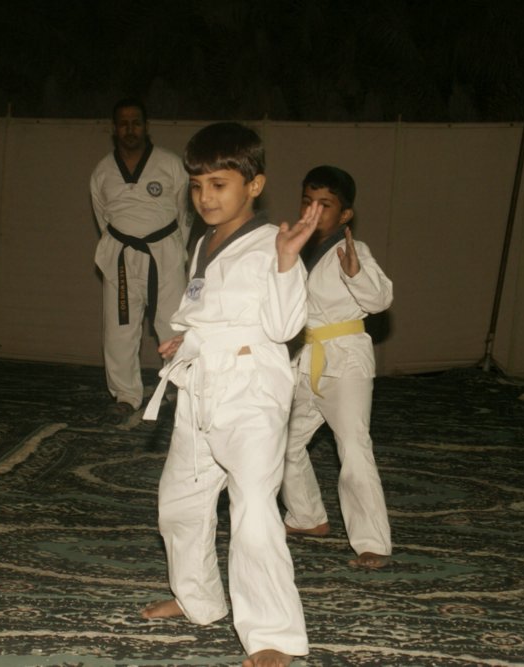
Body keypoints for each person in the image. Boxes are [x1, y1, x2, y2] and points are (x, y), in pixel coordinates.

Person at [141, 123, 320, 667]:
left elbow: (284, 326)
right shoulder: (204, 241)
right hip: (201, 386)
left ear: (254, 185)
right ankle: (197, 598)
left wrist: (287, 262)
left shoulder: (274, 244)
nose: (205, 198)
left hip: (252, 393)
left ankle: (273, 636)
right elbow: (208, 309)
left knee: (254, 512)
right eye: (197, 186)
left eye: (219, 185)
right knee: (180, 503)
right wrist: (186, 338)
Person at [280, 166, 394, 569]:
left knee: (354, 447)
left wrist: (356, 274)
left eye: (325, 204)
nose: (314, 210)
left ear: (345, 214)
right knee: (283, 442)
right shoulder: (292, 248)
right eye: (307, 201)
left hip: (344, 363)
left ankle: (372, 542)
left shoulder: (354, 249)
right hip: (303, 359)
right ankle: (307, 515)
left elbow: (380, 300)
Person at [90, 98, 191, 416]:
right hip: (121, 257)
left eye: (136, 123)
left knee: (173, 325)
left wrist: (173, 248)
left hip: (164, 255)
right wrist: (124, 243)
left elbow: (185, 213)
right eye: (123, 123)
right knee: (119, 330)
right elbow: (103, 218)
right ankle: (125, 395)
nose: (130, 129)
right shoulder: (103, 171)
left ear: (146, 127)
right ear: (114, 128)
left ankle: (179, 392)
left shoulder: (170, 164)